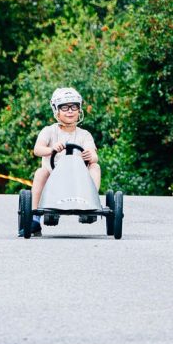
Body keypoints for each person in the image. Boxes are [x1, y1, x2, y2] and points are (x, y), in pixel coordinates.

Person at [29, 87, 101, 237]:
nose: (70, 111)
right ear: (56, 111)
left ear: (79, 110)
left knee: (95, 166)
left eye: (74, 106)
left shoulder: (84, 134)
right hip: (53, 178)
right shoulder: (49, 131)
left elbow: (93, 154)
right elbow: (37, 149)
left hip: (79, 180)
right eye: (64, 107)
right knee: (40, 172)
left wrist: (90, 155)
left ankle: (91, 206)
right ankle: (34, 218)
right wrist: (51, 149)